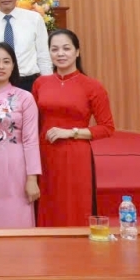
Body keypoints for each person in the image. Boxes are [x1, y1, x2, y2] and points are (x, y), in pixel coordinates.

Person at [33, 29, 115, 227]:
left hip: (76, 155)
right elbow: (33, 122)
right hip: (44, 154)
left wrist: (71, 132)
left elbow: (107, 127)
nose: (60, 54)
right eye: (54, 49)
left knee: (74, 205)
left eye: (66, 48)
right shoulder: (40, 83)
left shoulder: (92, 86)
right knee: (47, 204)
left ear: (77, 52)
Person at [0, 43, 41, 229]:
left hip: (17, 167)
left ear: (13, 66)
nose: (1, 66)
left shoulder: (25, 97)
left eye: (6, 61)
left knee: (17, 219)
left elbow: (31, 140)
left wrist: (32, 178)